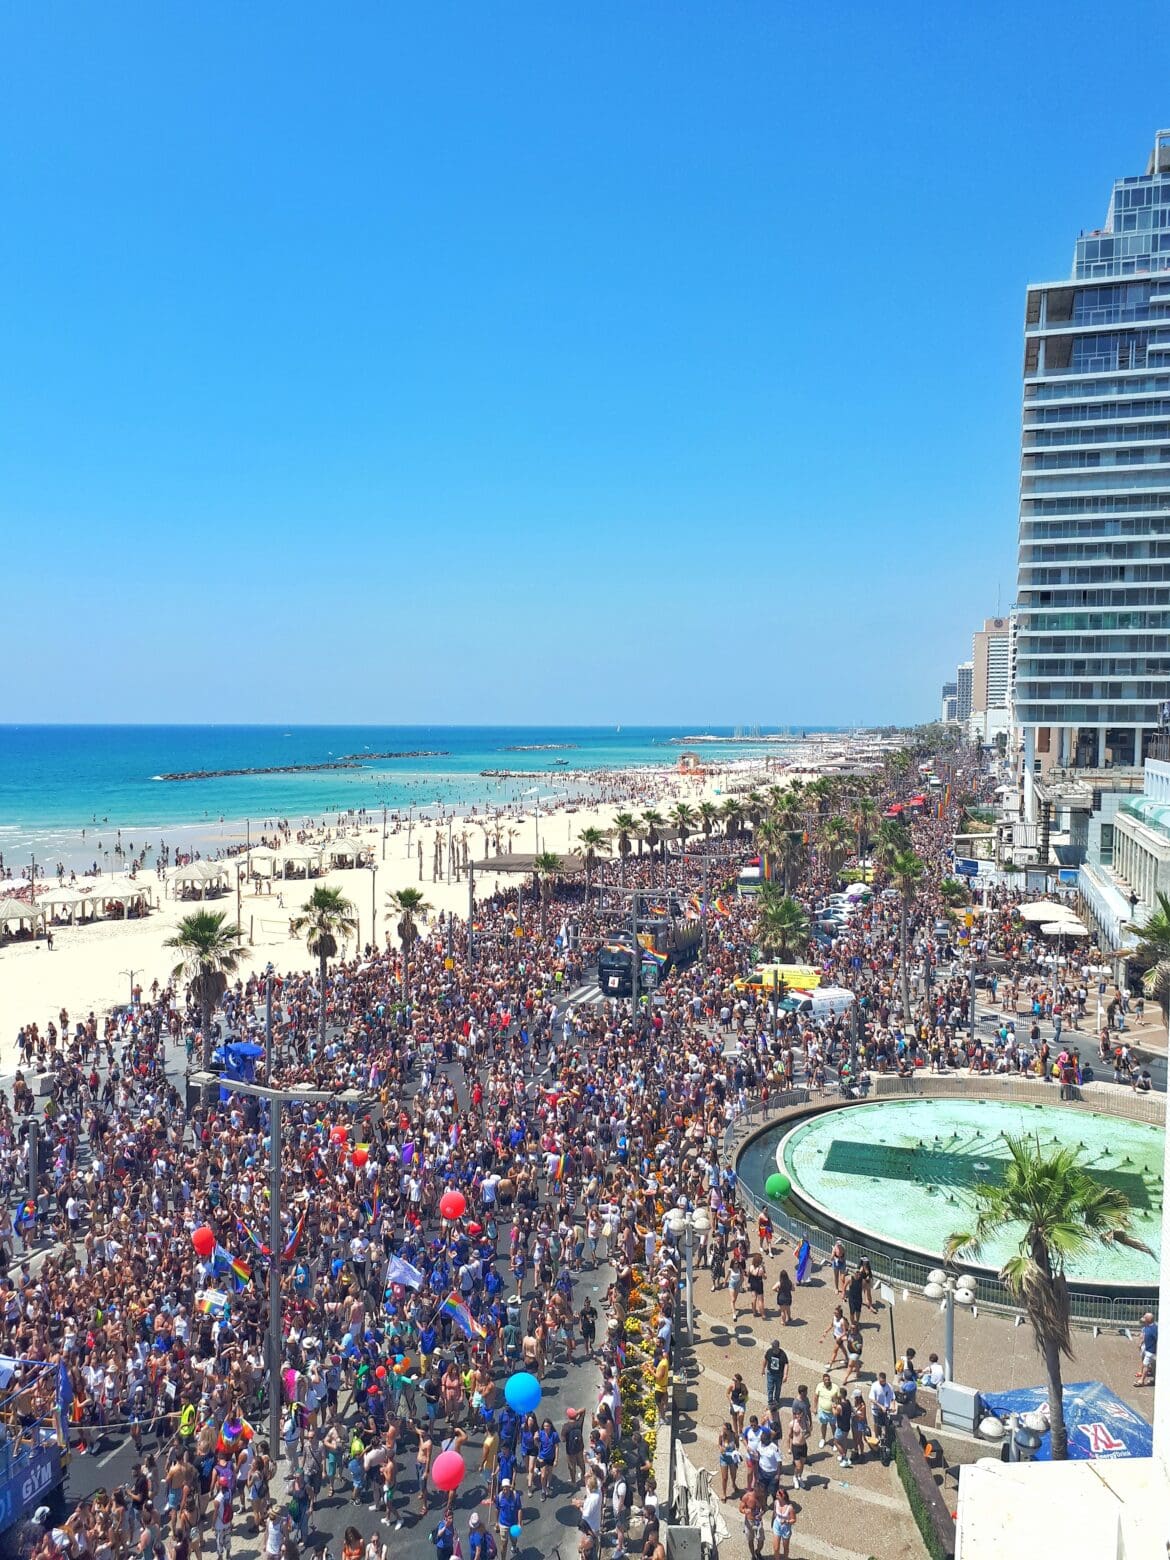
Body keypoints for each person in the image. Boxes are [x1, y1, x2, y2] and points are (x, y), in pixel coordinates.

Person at [717, 1421, 741, 1500]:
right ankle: (724, 1493)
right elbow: (719, 1444)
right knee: (724, 1477)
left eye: (724, 1429)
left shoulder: (734, 1435)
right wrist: (721, 1448)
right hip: (724, 1458)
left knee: (733, 1475)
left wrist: (736, 1451)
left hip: (732, 1458)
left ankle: (734, 1484)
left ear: (728, 1430)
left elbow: (737, 1445)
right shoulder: (721, 1435)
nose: (723, 1430)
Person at [771, 1486, 795, 1560]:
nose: (776, 1495)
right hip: (777, 1524)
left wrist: (786, 1521)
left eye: (778, 1494)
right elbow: (774, 1513)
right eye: (777, 1494)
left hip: (786, 1527)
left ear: (783, 1496)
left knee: (785, 1547)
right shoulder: (776, 1502)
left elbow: (793, 1520)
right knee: (776, 1548)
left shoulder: (790, 1508)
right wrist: (772, 1522)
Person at [763, 1341, 788, 1411]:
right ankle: (770, 1403)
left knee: (778, 1388)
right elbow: (765, 1359)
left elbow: (786, 1364)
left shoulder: (782, 1354)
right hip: (770, 1373)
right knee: (770, 1388)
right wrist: (763, 1369)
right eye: (772, 1346)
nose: (772, 1347)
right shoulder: (769, 1352)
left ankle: (776, 1401)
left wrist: (785, 1375)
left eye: (774, 1346)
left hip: (779, 1375)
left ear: (777, 1347)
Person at [1137, 1312, 1158, 1387]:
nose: (1143, 1317)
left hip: (1152, 1351)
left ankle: (1141, 1381)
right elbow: (1144, 1335)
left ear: (1148, 1320)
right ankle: (1155, 1380)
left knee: (1145, 1365)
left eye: (1144, 1317)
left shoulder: (1154, 1329)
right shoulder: (1147, 1326)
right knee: (1154, 1368)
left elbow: (1157, 1340)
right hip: (1148, 1349)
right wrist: (1141, 1343)